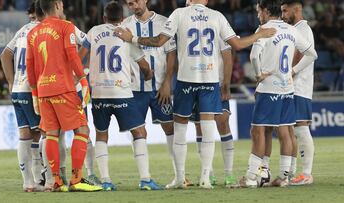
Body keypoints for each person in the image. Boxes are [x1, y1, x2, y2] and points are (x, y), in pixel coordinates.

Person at [115, 0, 276, 189]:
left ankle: (180, 178)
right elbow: (237, 45)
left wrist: (132, 38)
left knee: (181, 131)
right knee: (208, 130)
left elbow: (159, 41)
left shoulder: (179, 14)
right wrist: (260, 35)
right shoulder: (217, 16)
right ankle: (206, 178)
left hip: (186, 80)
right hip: (209, 81)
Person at [78, 1, 161, 191]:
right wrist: (148, 75)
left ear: (104, 18)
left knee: (101, 135)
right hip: (121, 92)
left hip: (98, 94)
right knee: (139, 133)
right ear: (122, 19)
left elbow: (79, 55)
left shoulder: (94, 32)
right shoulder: (126, 34)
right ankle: (145, 179)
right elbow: (144, 66)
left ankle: (106, 181)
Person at [26, 0, 102, 192]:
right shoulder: (65, 26)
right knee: (82, 130)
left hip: (43, 90)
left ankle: (57, 181)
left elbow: (30, 65)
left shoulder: (33, 33)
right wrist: (83, 81)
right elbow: (72, 53)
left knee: (51, 134)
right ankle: (76, 180)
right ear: (58, 5)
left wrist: (35, 94)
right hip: (63, 87)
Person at [240, 0, 317, 188]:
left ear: (266, 11)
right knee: (286, 131)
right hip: (287, 88)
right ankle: (284, 176)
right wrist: (292, 72)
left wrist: (258, 74)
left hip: (268, 88)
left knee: (258, 130)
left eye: (259, 12)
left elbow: (252, 56)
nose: (258, 15)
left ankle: (251, 177)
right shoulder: (291, 30)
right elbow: (312, 54)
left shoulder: (265, 29)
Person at [122, 0, 193, 187]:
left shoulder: (164, 22)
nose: (134, 6)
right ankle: (145, 178)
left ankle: (180, 176)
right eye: (130, 4)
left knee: (170, 128)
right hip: (134, 89)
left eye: (136, 2)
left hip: (160, 87)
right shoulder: (125, 25)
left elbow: (171, 53)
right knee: (137, 131)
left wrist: (167, 82)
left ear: (145, 0)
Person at [0, 1, 44, 192]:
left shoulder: (22, 30)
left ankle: (29, 182)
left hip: (17, 89)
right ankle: (43, 175)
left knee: (25, 135)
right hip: (30, 89)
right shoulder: (43, 31)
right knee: (44, 132)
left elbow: (4, 55)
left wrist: (10, 82)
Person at [192, 40, 237, 187]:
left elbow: (229, 56)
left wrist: (226, 84)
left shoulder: (220, 28)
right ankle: (208, 173)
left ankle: (229, 174)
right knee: (200, 127)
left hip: (217, 84)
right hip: (196, 83)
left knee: (223, 123)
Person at [281, 0, 315, 185]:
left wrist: (291, 73)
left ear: (297, 10)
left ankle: (307, 174)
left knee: (300, 128)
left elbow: (304, 55)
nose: (283, 15)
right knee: (292, 129)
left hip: (298, 87)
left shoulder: (303, 29)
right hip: (294, 86)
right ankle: (293, 172)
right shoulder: (297, 29)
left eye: (286, 11)